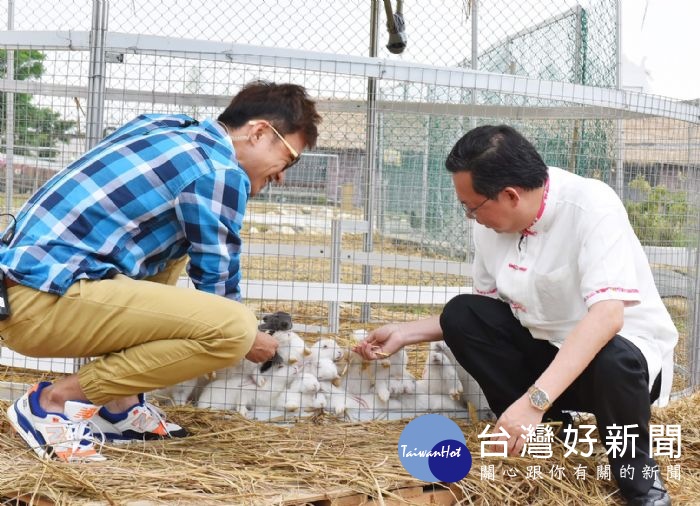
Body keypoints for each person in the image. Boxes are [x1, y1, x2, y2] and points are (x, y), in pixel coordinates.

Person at [0, 80, 322, 462]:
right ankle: (53, 403)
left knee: (171, 250)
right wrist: (250, 338)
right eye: (289, 157)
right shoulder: (219, 171)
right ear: (258, 132)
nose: (282, 175)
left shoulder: (162, 126)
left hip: (20, 288)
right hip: (41, 303)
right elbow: (218, 285)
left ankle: (118, 407)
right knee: (233, 330)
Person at [355, 125, 676, 506]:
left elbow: (607, 318)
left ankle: (639, 484)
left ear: (509, 195)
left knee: (613, 356)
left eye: (472, 207)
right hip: (549, 359)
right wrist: (406, 333)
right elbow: (490, 314)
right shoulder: (492, 226)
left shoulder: (591, 205)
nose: (470, 217)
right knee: (463, 313)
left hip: (621, 373)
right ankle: (550, 435)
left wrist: (532, 402)